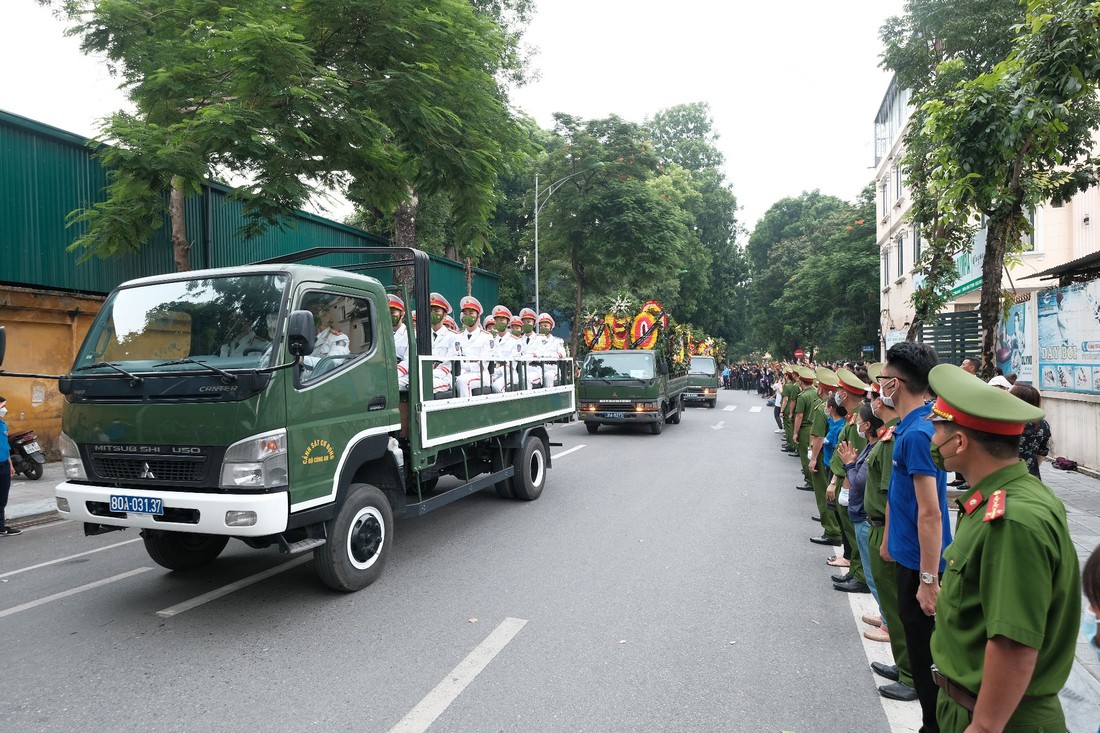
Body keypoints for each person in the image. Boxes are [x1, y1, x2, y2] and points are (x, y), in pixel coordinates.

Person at [926, 363, 1079, 733]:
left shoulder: (1011, 520)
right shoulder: (1004, 497)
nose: (931, 438)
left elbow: (1013, 643)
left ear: (959, 442)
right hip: (974, 707)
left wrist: (983, 726)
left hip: (998, 719)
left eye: (938, 428)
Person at [880, 341, 951, 732]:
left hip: (922, 566)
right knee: (919, 652)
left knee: (927, 664)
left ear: (895, 384)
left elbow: (931, 511)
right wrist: (890, 539)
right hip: (908, 556)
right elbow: (899, 494)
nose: (881, 386)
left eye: (883, 379)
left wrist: (928, 579)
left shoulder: (918, 434)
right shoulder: (910, 427)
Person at [863, 363, 919, 702]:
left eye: (881, 385)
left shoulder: (904, 434)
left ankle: (912, 675)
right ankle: (904, 665)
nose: (877, 392)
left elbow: (892, 497)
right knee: (894, 605)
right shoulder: (892, 433)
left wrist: (886, 540)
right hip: (883, 530)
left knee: (900, 610)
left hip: (891, 533)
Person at [1010, 383, 1051, 479]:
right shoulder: (1042, 424)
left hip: (1003, 477)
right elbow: (1042, 452)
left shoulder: (1004, 422)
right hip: (1030, 476)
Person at [0, 396, 19, 537]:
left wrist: (10, 464)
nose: (5, 409)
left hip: (4, 464)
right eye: (2, 406)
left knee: (2, 497)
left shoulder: (3, 424)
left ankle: (1, 527)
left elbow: (5, 447)